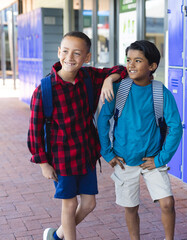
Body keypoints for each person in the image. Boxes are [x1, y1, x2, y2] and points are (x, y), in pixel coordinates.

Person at [27, 31, 127, 240]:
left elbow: (122, 69)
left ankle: (56, 236)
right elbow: (34, 131)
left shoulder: (89, 77)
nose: (69, 58)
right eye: (65, 52)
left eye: (77, 53)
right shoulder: (44, 90)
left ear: (87, 57)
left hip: (86, 154)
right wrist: (43, 163)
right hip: (61, 157)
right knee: (70, 203)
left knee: (89, 204)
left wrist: (109, 79)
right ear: (59, 52)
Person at [97, 40, 183, 240]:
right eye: (128, 60)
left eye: (138, 61)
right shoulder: (119, 89)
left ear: (152, 66)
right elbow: (103, 121)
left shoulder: (160, 92)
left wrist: (161, 158)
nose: (131, 65)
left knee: (168, 203)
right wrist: (107, 152)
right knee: (130, 207)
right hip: (125, 160)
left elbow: (175, 127)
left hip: (152, 160)